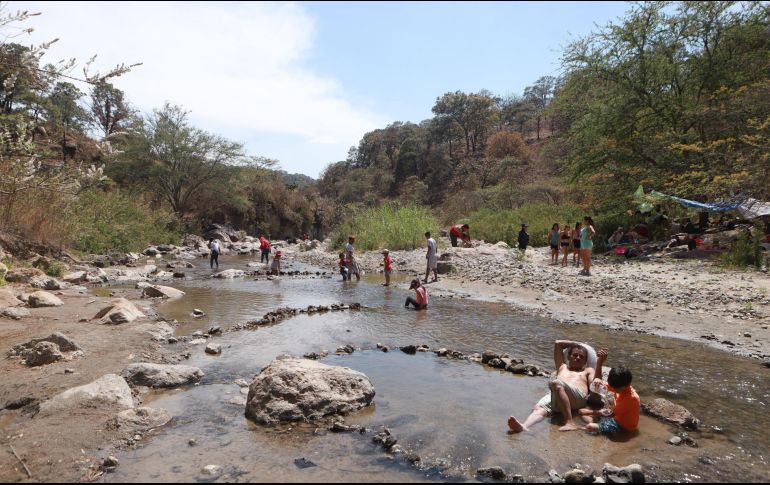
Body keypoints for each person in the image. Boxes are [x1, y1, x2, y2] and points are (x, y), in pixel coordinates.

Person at [508, 341, 603, 433]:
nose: (578, 358)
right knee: (538, 408)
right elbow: (558, 344)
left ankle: (569, 422)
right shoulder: (562, 366)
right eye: (575, 355)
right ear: (569, 356)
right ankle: (524, 426)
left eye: (581, 357)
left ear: (585, 361)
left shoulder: (588, 370)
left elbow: (594, 386)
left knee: (556, 383)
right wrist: (577, 344)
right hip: (557, 394)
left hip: (577, 398)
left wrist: (597, 376)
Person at [580, 363, 640, 436]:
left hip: (623, 426)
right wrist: (598, 381)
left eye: (615, 389)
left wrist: (590, 412)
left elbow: (610, 413)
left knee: (591, 426)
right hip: (615, 418)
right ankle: (597, 423)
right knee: (585, 414)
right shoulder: (620, 386)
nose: (613, 389)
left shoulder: (631, 398)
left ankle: (583, 427)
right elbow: (606, 385)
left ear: (624, 387)